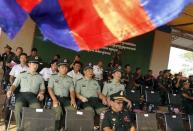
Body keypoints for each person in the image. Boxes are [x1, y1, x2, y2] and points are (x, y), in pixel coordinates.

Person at [6, 57, 45, 130]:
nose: (36, 66)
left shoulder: (40, 77)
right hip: (22, 95)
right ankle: (20, 128)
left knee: (38, 109)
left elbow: (42, 88)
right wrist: (10, 90)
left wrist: (41, 93)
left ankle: (32, 128)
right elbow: (14, 85)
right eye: (34, 64)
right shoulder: (22, 74)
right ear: (29, 64)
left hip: (33, 97)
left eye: (37, 64)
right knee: (18, 108)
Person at [48, 58, 76, 130]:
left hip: (66, 99)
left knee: (72, 110)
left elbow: (72, 91)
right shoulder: (53, 77)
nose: (65, 69)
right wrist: (54, 99)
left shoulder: (70, 79)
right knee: (58, 110)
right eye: (63, 67)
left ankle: (64, 127)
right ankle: (56, 128)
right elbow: (50, 89)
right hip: (56, 98)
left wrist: (73, 99)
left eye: (66, 67)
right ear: (58, 68)